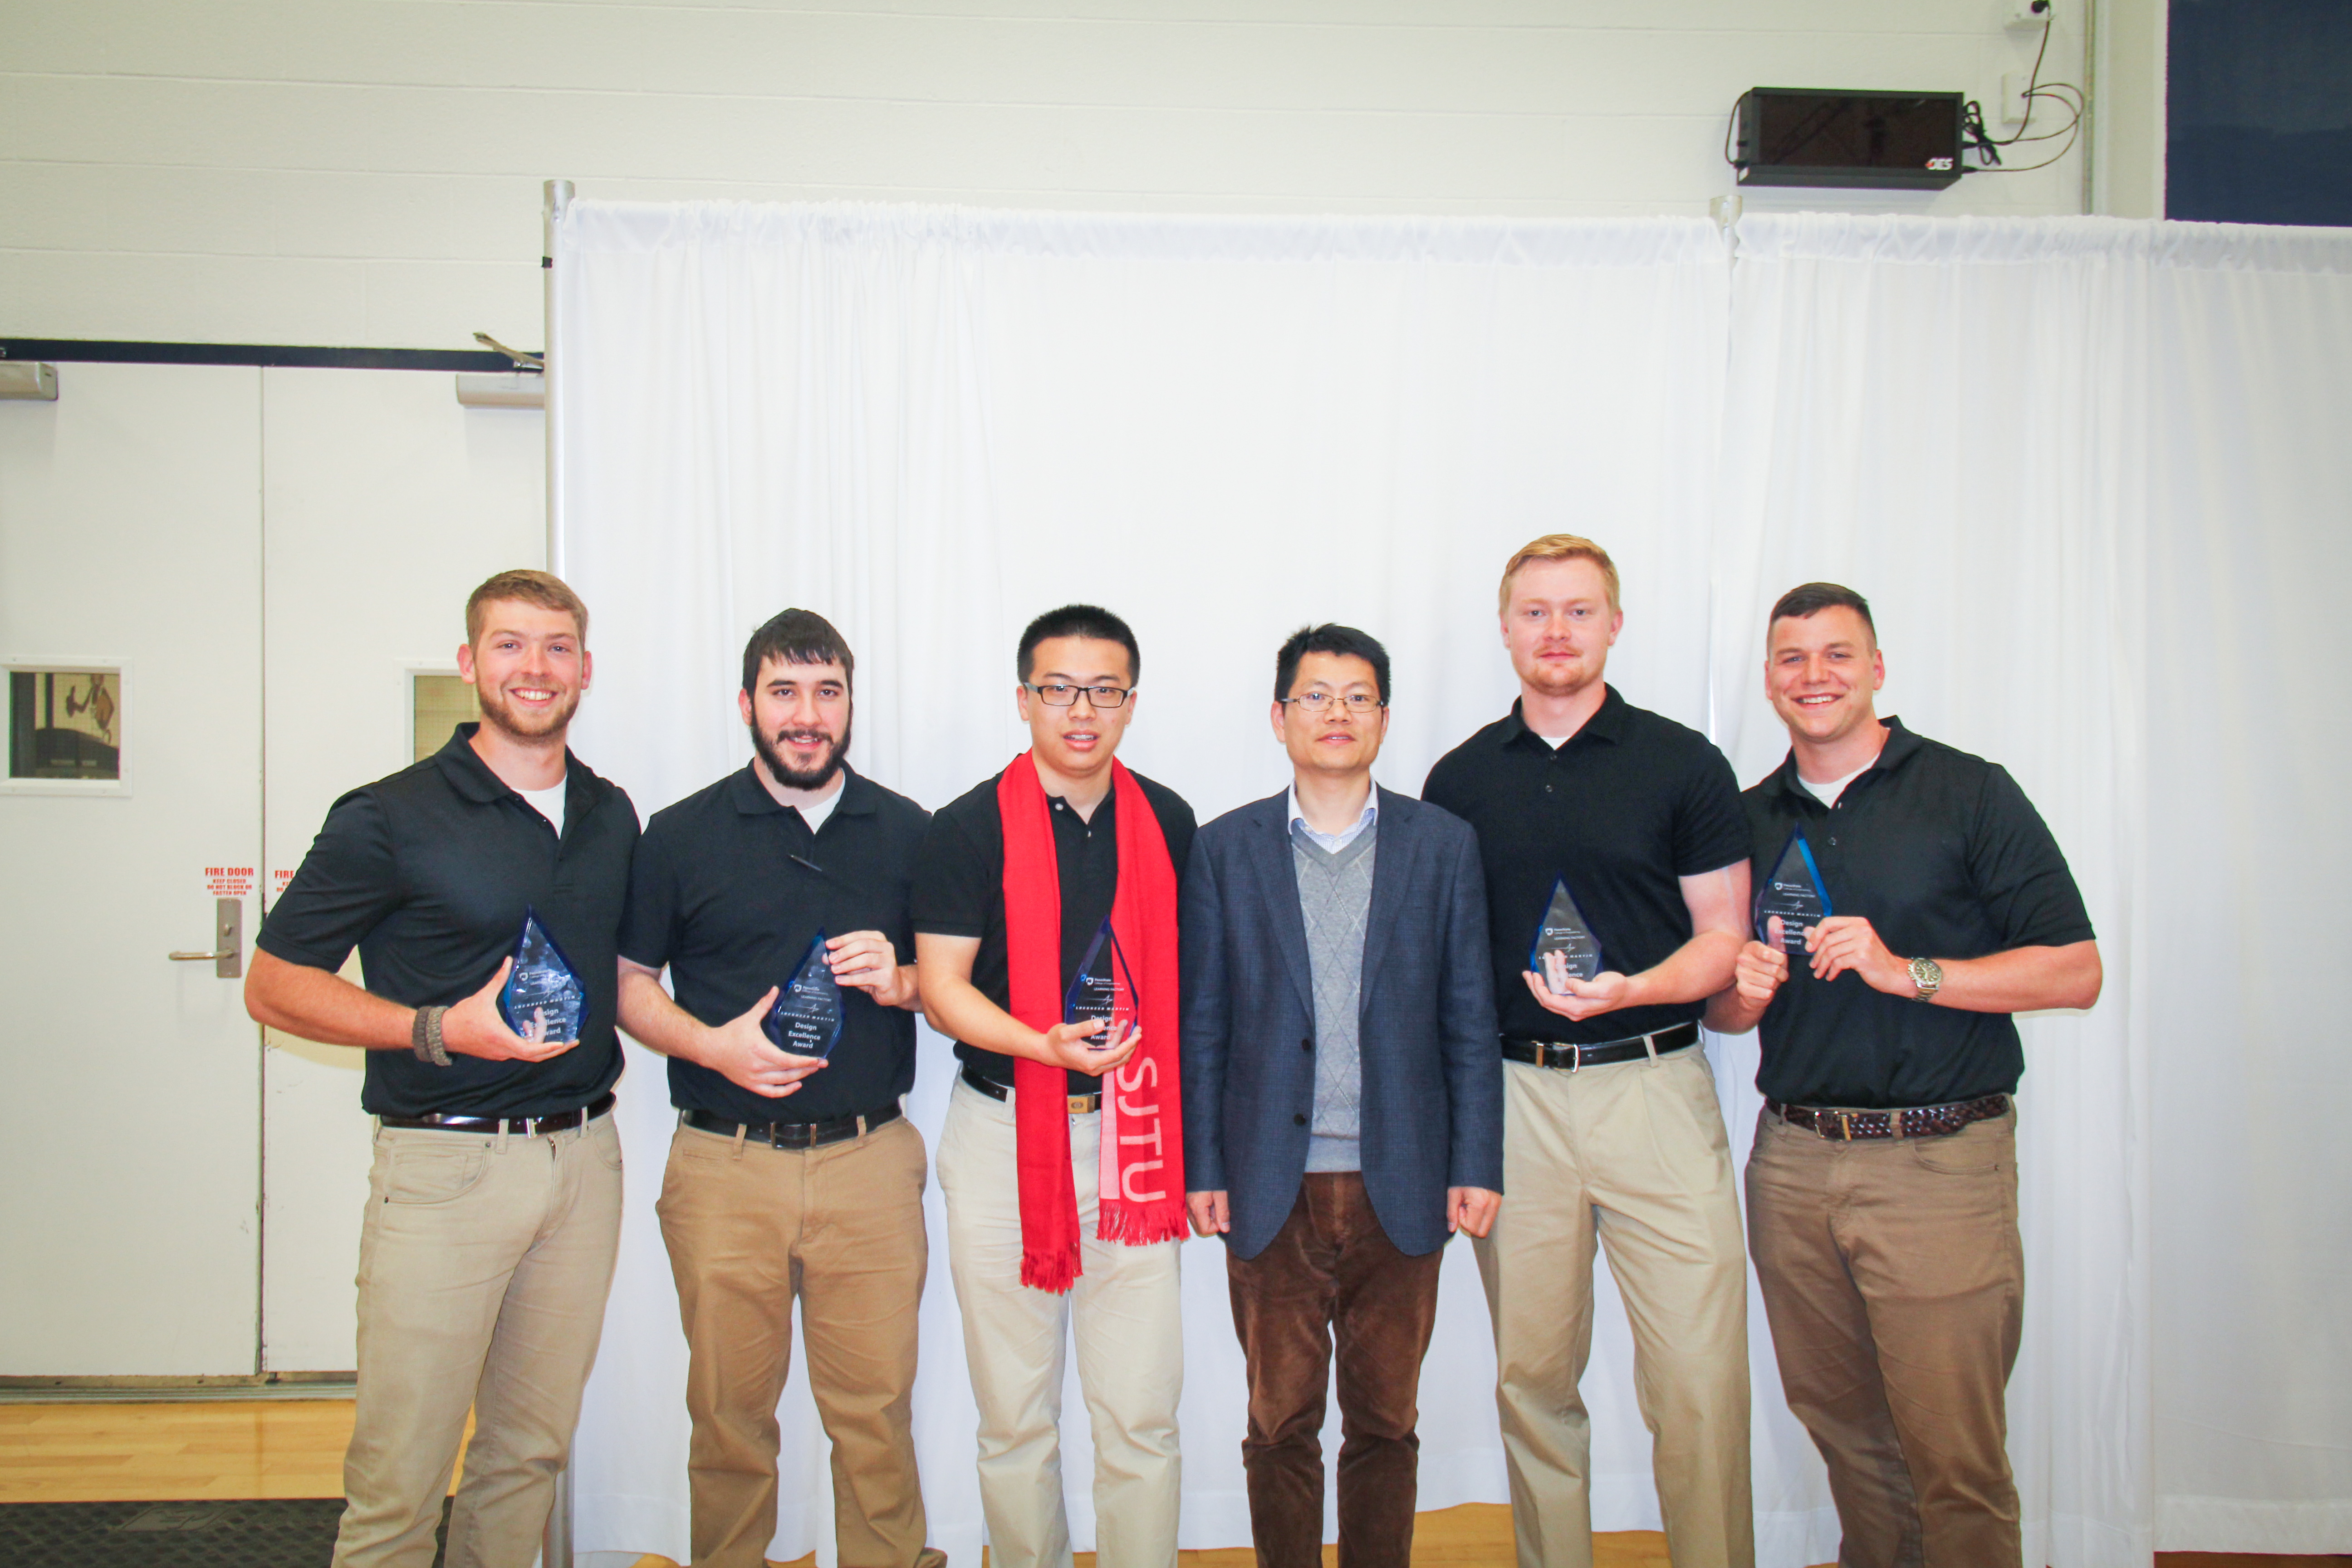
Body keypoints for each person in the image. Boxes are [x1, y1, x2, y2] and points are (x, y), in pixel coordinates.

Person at [245, 570, 638, 1568]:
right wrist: (437, 1029)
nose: (535, 667)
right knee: (401, 1482)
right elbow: (275, 985)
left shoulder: (609, 813)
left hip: (583, 1163)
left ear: (585, 668)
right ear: (469, 664)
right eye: (510, 644)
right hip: (443, 1172)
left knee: (528, 1458)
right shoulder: (389, 816)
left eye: (556, 647)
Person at [1705, 583, 2100, 1568]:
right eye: (1793, 659)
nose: (1815, 676)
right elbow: (1725, 1014)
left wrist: (1906, 972)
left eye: (1838, 654)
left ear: (1877, 669)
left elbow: (2074, 971)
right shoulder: (1747, 820)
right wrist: (1742, 994)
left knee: (1954, 1456)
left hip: (1940, 1162)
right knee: (1846, 1436)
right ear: (1769, 682)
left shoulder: (1969, 792)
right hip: (1794, 1163)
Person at [1422, 534, 1755, 1568]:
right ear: (1505, 628)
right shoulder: (1459, 779)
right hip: (1516, 1100)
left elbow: (1725, 939)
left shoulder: (1684, 764)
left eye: (1578, 610)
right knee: (1534, 1381)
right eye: (1536, 611)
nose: (1556, 630)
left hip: (1655, 1087)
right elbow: (1443, 963)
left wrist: (1637, 988)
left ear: (1614, 624)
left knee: (1699, 1382)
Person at [614, 609, 943, 1568]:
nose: (807, 715)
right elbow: (628, 986)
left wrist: (905, 980)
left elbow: (959, 988)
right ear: (747, 703)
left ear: (851, 704)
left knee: (876, 1414)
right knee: (728, 1417)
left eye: (827, 692)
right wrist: (712, 1047)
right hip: (725, 1166)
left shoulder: (912, 833)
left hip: (870, 1163)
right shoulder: (679, 835)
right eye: (785, 692)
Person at [1181, 624, 1503, 1568]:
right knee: (1279, 1423)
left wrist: (1476, 1162)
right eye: (1316, 696)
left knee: (1386, 1425)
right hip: (1268, 1186)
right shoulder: (1225, 848)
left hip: (1402, 1183)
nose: (1337, 714)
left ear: (1385, 719)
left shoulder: (1443, 846)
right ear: (1279, 717)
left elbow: (1469, 1018)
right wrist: (1205, 1165)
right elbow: (1205, 1023)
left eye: (1359, 697)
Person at [912, 604, 1196, 1568]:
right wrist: (1043, 1045)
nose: (1082, 711)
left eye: (1104, 690)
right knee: (1015, 1417)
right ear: (1024, 698)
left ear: (1131, 704)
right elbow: (942, 991)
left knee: (1141, 1415)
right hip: (1003, 1137)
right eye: (1060, 689)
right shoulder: (965, 828)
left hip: (1135, 1134)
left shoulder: (1169, 822)